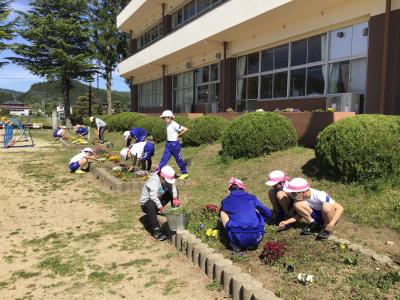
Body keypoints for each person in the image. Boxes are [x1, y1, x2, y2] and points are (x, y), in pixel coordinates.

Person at [279, 178, 344, 240]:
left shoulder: (319, 195)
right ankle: (314, 224)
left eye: (293, 193)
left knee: (326, 206)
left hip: (329, 217)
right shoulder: (301, 198)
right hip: (318, 216)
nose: (292, 195)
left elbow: (340, 208)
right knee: (297, 204)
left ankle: (326, 228)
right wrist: (287, 222)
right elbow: (301, 214)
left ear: (302, 192)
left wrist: (331, 223)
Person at [220, 178, 272, 251]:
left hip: (236, 237)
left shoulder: (226, 201)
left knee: (223, 211)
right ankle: (251, 244)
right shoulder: (251, 198)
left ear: (229, 190)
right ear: (243, 189)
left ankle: (234, 242)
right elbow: (268, 213)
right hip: (257, 236)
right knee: (256, 210)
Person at [140, 165, 181, 241]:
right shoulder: (154, 181)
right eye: (167, 181)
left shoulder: (165, 178)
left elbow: (173, 187)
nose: (168, 182)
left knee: (173, 192)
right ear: (162, 177)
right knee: (150, 202)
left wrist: (175, 198)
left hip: (158, 201)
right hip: (147, 205)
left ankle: (175, 213)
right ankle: (156, 230)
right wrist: (160, 207)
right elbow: (153, 196)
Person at [158, 110, 189, 180]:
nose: (163, 120)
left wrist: (179, 134)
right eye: (163, 118)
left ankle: (184, 173)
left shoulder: (174, 124)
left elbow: (186, 129)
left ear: (169, 117)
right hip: (168, 144)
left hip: (175, 145)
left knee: (178, 159)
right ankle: (158, 171)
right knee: (164, 158)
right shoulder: (167, 124)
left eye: (164, 118)